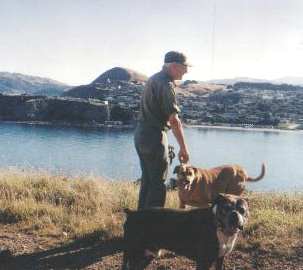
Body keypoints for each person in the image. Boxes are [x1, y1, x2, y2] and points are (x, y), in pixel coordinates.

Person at [134, 51, 190, 210]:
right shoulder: (166, 84)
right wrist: (184, 148)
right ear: (173, 66)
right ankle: (153, 228)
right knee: (158, 184)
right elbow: (174, 120)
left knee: (148, 181)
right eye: (184, 67)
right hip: (154, 136)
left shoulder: (153, 79)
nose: (186, 71)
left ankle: (140, 223)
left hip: (141, 134)